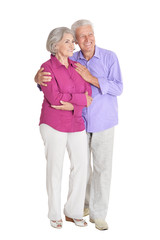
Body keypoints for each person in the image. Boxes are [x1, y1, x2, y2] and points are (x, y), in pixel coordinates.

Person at [35, 20, 123, 230]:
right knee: (80, 169)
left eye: (90, 34)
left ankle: (98, 214)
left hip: (103, 121)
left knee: (101, 170)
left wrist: (90, 80)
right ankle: (79, 207)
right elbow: (53, 89)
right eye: (80, 37)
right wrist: (37, 79)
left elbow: (116, 89)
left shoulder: (109, 57)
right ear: (74, 40)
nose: (86, 40)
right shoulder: (70, 58)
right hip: (77, 122)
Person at [38, 26, 92, 229]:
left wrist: (73, 103)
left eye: (72, 41)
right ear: (55, 45)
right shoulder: (46, 68)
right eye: (68, 41)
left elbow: (88, 95)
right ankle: (54, 213)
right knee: (55, 168)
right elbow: (54, 99)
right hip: (53, 124)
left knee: (81, 167)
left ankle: (73, 211)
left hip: (76, 121)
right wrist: (78, 100)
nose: (73, 45)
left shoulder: (77, 66)